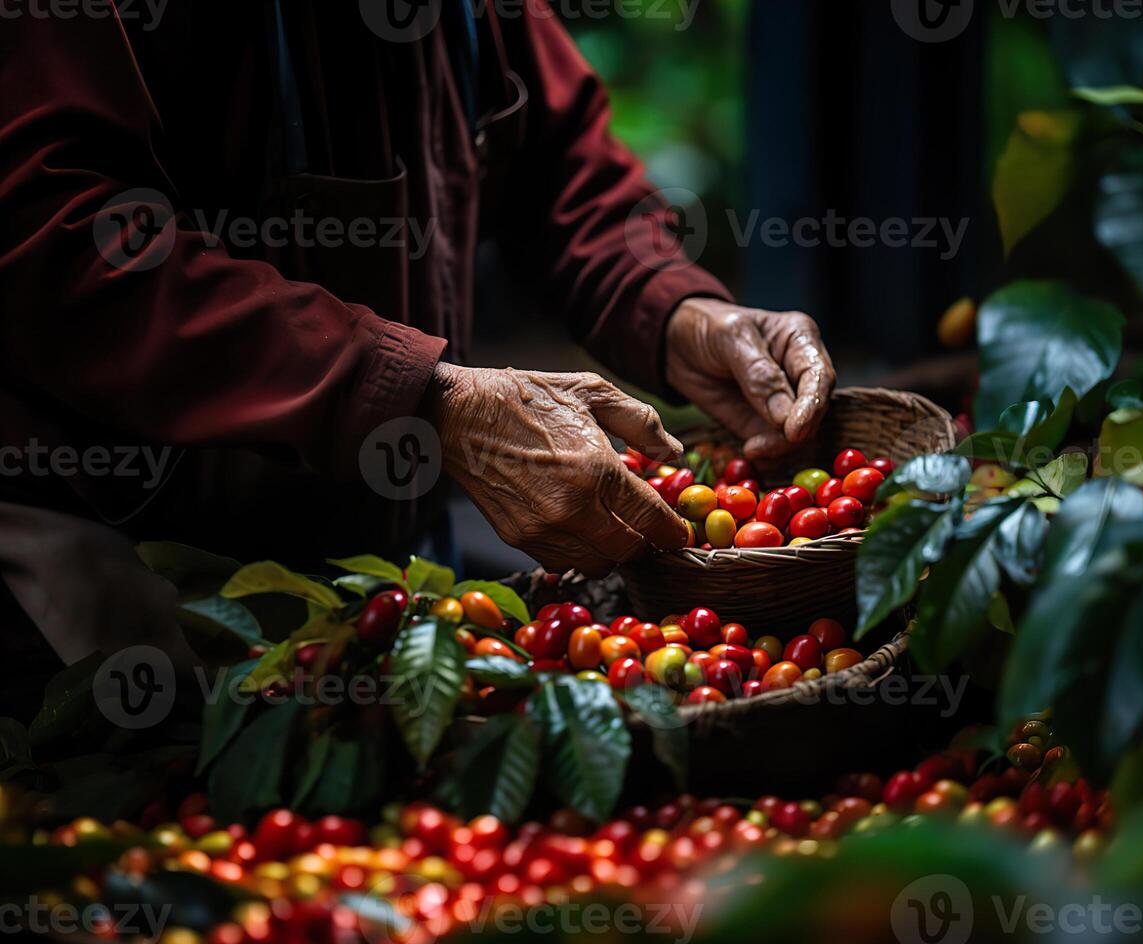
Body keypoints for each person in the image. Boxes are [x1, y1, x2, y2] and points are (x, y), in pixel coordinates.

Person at [0, 1, 834, 672]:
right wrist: (419, 396)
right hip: (130, 565)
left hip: (382, 558)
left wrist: (674, 306)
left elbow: (557, 165)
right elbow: (59, 244)